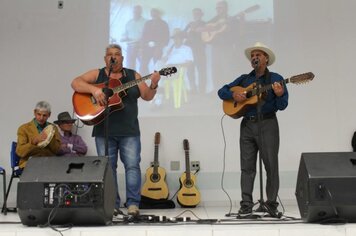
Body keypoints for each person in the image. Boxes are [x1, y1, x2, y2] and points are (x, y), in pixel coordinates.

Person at [71, 44, 161, 216]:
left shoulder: (133, 75)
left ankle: (133, 204)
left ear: (122, 58)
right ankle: (112, 203)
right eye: (110, 54)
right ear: (105, 58)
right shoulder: (97, 74)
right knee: (108, 168)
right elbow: (75, 83)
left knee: (132, 166)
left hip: (129, 130)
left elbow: (147, 96)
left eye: (117, 54)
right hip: (103, 131)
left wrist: (154, 85)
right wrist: (94, 90)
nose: (114, 57)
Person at [218, 42, 289, 215]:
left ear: (266, 59)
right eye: (252, 56)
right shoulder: (245, 79)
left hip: (268, 124)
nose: (254, 58)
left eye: (258, 55)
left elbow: (283, 105)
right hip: (247, 125)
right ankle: (246, 205)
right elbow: (222, 91)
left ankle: (271, 204)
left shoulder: (276, 79)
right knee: (247, 167)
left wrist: (279, 94)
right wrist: (233, 95)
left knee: (271, 166)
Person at [16, 101, 61, 169]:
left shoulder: (53, 128)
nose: (41, 118)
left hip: (49, 164)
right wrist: (34, 141)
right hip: (29, 164)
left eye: (44, 115)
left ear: (49, 114)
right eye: (39, 114)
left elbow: (57, 150)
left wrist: (49, 138)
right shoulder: (23, 128)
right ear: (34, 112)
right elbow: (20, 152)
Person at [184, 8, 207, 94]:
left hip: (200, 51)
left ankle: (202, 91)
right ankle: (193, 90)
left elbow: (206, 37)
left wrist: (196, 30)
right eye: (195, 14)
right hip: (190, 53)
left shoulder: (205, 24)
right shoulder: (190, 24)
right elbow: (183, 35)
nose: (196, 15)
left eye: (198, 14)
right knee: (190, 72)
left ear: (201, 15)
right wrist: (189, 31)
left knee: (202, 72)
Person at [140, 8, 170, 75]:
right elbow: (143, 36)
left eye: (155, 13)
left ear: (159, 14)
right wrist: (142, 47)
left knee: (157, 65)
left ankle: (158, 82)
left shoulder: (163, 24)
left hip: (158, 48)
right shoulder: (148, 23)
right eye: (152, 13)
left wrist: (160, 46)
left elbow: (166, 38)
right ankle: (145, 80)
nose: (153, 14)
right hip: (147, 47)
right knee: (143, 65)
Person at [120, 5, 146, 70]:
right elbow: (125, 34)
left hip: (140, 46)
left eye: (137, 11)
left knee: (143, 65)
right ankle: (131, 79)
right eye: (134, 11)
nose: (136, 13)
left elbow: (147, 35)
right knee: (130, 65)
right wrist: (124, 38)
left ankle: (143, 78)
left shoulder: (145, 22)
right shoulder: (129, 23)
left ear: (140, 12)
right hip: (130, 46)